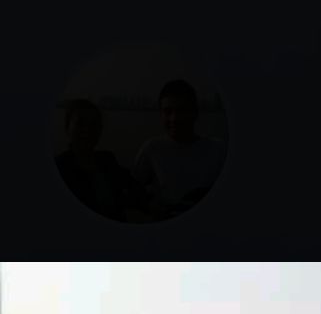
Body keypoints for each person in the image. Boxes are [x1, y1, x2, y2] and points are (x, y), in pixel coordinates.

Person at [133, 79, 226, 215]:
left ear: (195, 113)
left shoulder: (218, 149)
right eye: (167, 111)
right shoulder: (152, 149)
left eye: (182, 110)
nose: (174, 118)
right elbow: (134, 190)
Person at [55, 99, 144, 222]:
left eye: (93, 125)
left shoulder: (107, 160)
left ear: (100, 130)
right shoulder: (61, 167)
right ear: (67, 127)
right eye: (80, 123)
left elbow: (133, 187)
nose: (87, 130)